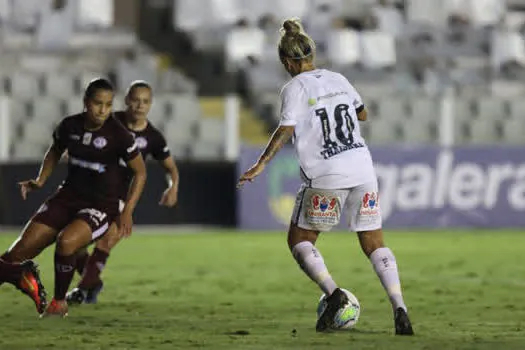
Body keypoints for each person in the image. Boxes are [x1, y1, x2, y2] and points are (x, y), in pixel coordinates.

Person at [238, 18, 414, 335]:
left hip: (327, 174)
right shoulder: (339, 78)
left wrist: (261, 163)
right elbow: (362, 114)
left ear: (286, 62)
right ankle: (399, 307)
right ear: (312, 55)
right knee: (374, 243)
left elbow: (285, 129)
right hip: (362, 169)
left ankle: (334, 295)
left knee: (300, 240)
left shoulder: (294, 88)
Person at [0, 78, 147, 317]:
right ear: (86, 102)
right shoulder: (69, 126)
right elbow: (55, 150)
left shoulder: (119, 135)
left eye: (108, 105)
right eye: (98, 103)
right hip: (67, 197)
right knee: (14, 255)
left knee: (67, 242)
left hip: (102, 204)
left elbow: (140, 172)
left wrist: (127, 211)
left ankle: (59, 303)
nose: (103, 110)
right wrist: (40, 180)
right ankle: (21, 275)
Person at [67, 80, 179, 305]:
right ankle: (92, 282)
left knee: (106, 242)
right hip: (91, 192)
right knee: (73, 246)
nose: (140, 105)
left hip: (120, 198)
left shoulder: (153, 138)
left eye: (145, 101)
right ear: (127, 100)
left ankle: (81, 291)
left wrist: (173, 185)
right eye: (136, 100)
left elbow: (170, 168)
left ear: (151, 104)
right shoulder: (110, 122)